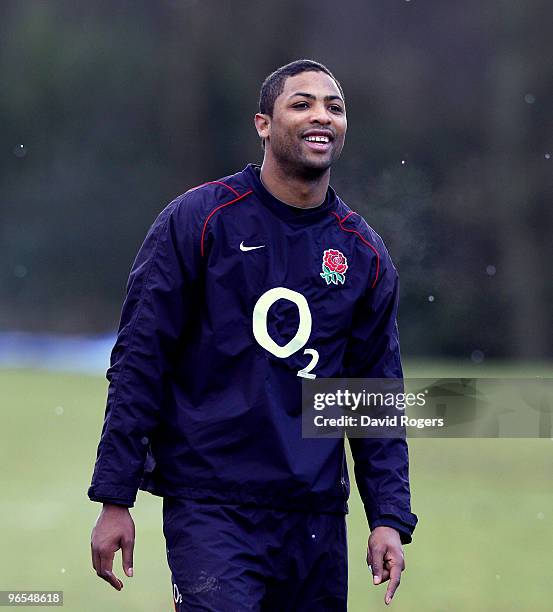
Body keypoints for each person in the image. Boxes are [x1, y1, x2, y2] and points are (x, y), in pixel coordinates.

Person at [89, 59, 418, 611]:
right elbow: (140, 360)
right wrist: (114, 496)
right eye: (302, 103)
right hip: (211, 506)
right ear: (263, 124)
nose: (322, 116)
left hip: (314, 515)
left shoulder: (362, 253)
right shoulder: (200, 219)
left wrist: (388, 516)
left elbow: (372, 394)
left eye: (334, 107)